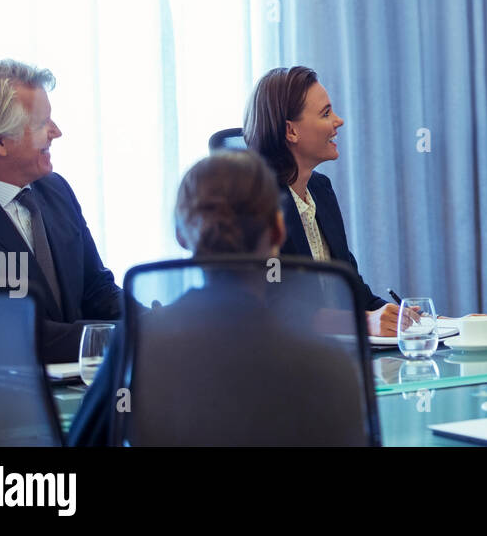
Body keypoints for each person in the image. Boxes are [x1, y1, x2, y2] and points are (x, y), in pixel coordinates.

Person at [69, 150, 374, 446]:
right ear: (278, 231)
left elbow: (83, 440)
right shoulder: (329, 363)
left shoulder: (140, 342)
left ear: (181, 234)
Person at [0, 60, 121, 362]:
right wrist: (119, 336)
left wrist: (149, 322)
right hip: (1, 404)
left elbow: (97, 289)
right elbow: (11, 336)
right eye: (42, 124)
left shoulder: (56, 190)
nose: (57, 132)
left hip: (78, 384)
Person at [243, 66, 398, 336]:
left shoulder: (320, 189)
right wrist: (364, 322)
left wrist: (425, 323)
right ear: (291, 131)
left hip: (337, 356)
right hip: (289, 364)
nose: (339, 121)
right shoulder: (259, 204)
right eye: (326, 113)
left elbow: (355, 292)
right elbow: (274, 305)